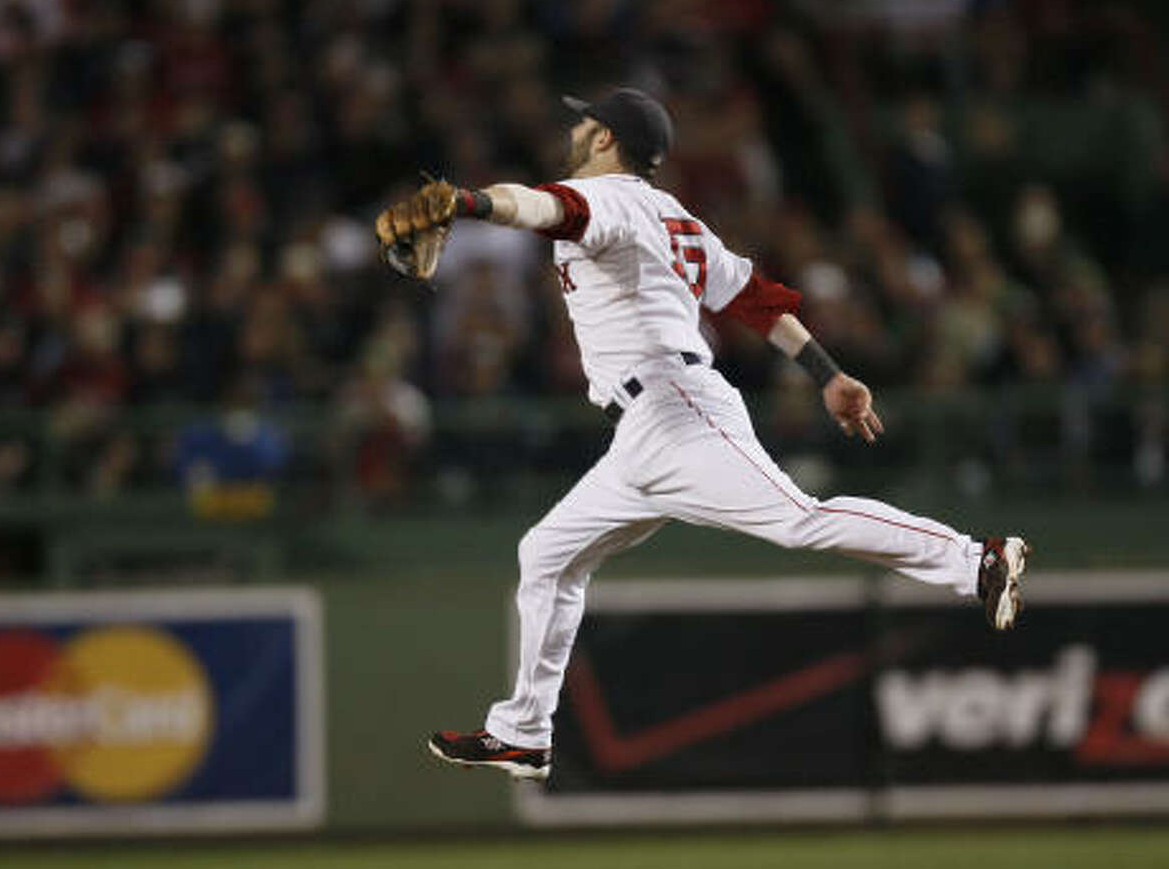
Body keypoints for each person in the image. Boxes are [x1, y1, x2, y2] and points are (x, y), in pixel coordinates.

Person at [378, 88, 1028, 782]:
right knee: (546, 554)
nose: (574, 125)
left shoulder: (611, 200)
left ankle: (976, 560)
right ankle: (524, 732)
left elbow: (543, 207)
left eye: (585, 119)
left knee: (799, 518)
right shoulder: (674, 216)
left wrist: (472, 203)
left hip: (674, 407)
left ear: (607, 140)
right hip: (643, 431)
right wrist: (828, 373)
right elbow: (753, 297)